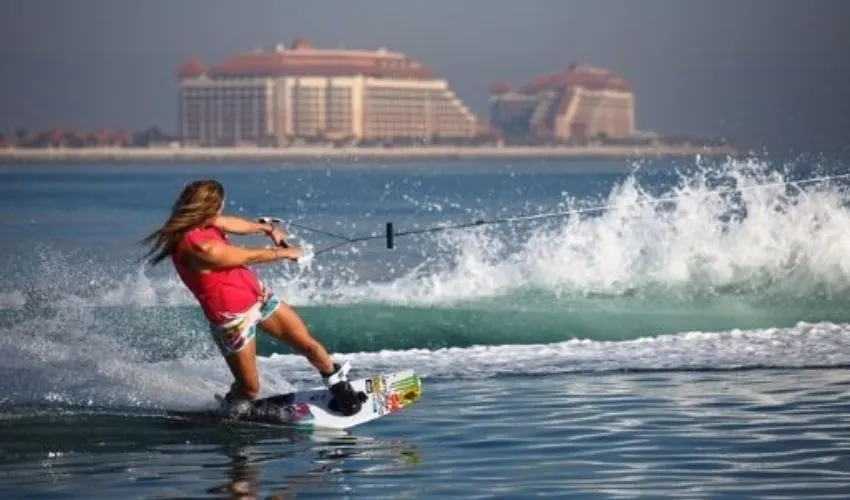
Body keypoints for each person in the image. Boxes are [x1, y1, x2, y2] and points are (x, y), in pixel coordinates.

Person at [141, 179, 365, 417]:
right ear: (208, 207)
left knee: (309, 345)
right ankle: (232, 408)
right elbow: (245, 256)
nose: (222, 210)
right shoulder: (200, 248)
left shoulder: (206, 223)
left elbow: (229, 223)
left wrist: (267, 229)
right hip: (233, 321)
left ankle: (339, 386)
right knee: (249, 389)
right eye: (220, 205)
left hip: (259, 298)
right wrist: (284, 252)